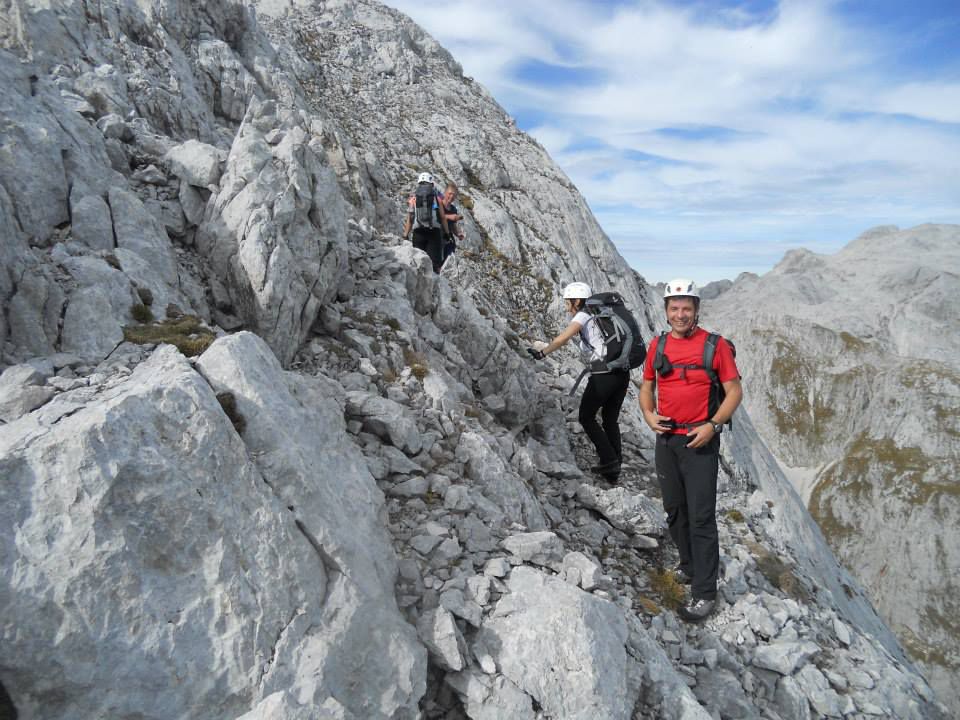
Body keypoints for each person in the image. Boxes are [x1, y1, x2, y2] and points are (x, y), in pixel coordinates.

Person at [639, 278, 742, 623]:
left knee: (701, 516)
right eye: (674, 308)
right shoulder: (658, 345)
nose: (680, 314)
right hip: (667, 440)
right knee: (674, 510)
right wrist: (649, 414)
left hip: (700, 441)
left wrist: (712, 425)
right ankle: (688, 566)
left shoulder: (715, 347)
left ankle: (705, 591)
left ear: (696, 310)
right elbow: (647, 386)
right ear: (666, 312)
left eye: (686, 308)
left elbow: (733, 392)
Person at [526, 282, 629, 482]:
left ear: (577, 300)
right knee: (610, 420)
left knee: (586, 417)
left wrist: (542, 353)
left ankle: (609, 460)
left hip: (603, 375)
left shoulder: (583, 314)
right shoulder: (604, 314)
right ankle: (614, 470)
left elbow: (563, 338)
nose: (566, 305)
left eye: (568, 301)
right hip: (622, 373)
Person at [402, 172, 449, 273]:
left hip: (418, 233)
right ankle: (433, 286)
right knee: (434, 265)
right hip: (434, 233)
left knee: (418, 264)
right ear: (431, 184)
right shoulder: (437, 199)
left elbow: (410, 218)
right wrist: (447, 233)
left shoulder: (413, 199)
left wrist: (405, 235)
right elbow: (443, 217)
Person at [439, 181, 465, 267]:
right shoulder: (439, 204)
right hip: (437, 235)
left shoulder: (453, 209)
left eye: (454, 195)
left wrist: (458, 234)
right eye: (450, 193)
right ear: (445, 193)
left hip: (447, 237)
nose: (452, 196)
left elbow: (453, 226)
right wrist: (449, 217)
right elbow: (436, 216)